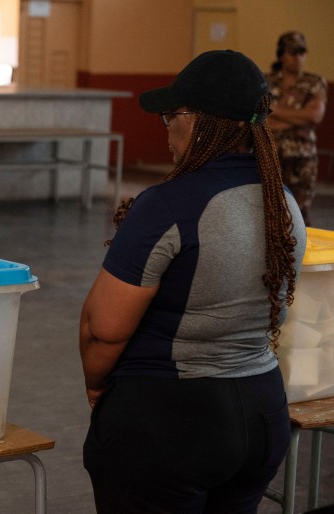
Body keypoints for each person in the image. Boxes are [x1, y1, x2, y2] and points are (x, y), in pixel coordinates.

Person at [79, 50, 306, 513]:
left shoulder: (167, 205)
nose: (167, 127)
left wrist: (98, 386)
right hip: (262, 411)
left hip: (172, 422)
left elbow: (103, 328)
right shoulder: (284, 203)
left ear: (203, 122)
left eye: (172, 115)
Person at [266, 31, 328, 226]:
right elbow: (259, 117)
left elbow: (314, 116)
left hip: (302, 159)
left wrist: (275, 112)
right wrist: (298, 118)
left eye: (302, 52)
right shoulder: (266, 81)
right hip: (270, 155)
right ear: (281, 54)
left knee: (299, 215)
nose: (298, 57)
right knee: (269, 211)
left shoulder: (314, 82)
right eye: (293, 52)